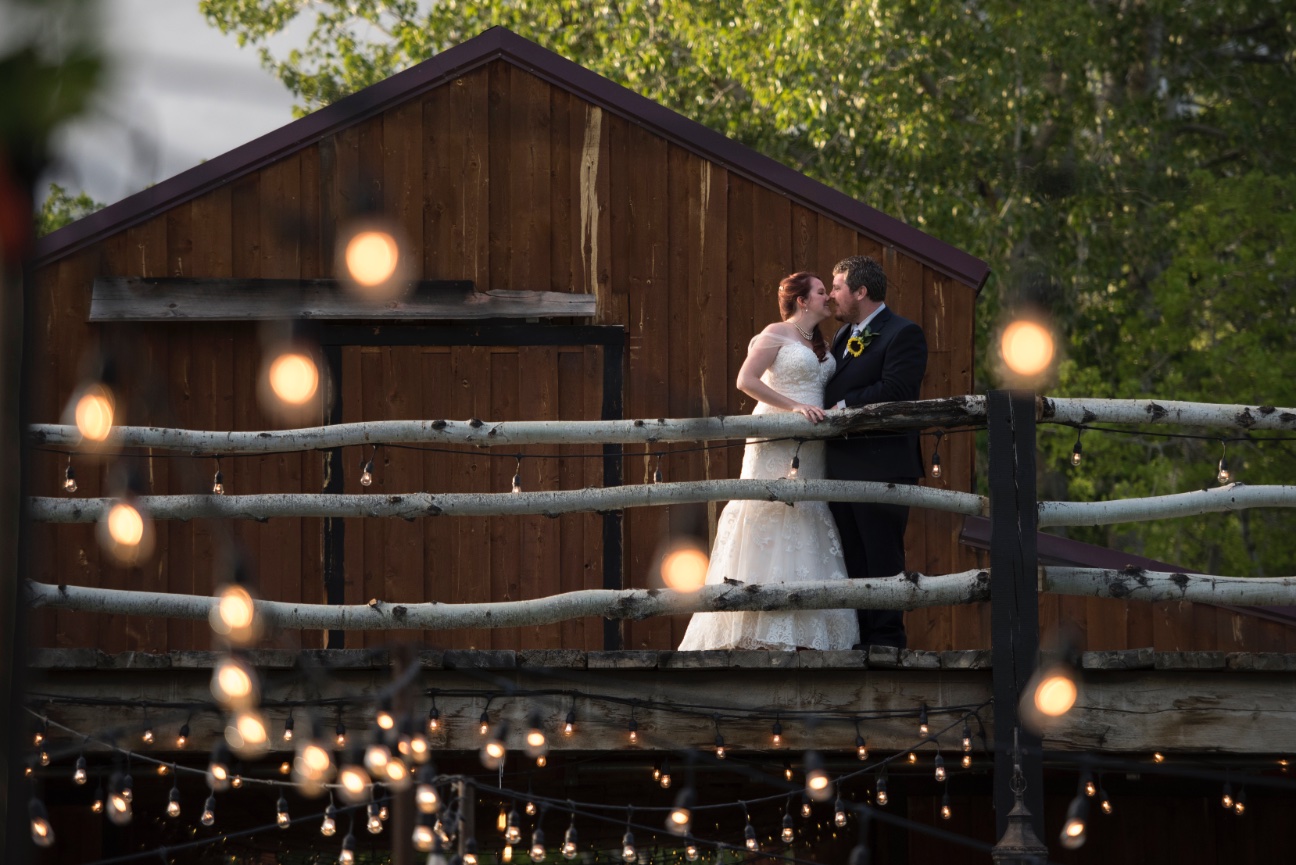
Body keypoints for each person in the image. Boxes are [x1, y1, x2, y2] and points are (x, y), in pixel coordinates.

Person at [677, 272, 860, 651]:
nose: (828, 297)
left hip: (811, 444)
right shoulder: (776, 332)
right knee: (765, 508)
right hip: (775, 434)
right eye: (821, 292)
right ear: (802, 301)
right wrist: (795, 407)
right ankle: (751, 623)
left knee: (805, 509)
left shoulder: (827, 342)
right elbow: (746, 379)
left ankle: (805, 627)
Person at [822, 255, 928, 650]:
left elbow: (897, 391)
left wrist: (843, 408)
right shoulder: (843, 335)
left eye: (837, 288)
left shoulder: (903, 333)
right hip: (842, 465)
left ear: (861, 291)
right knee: (853, 556)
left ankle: (887, 641)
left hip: (881, 464)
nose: (832, 296)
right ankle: (861, 638)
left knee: (881, 555)